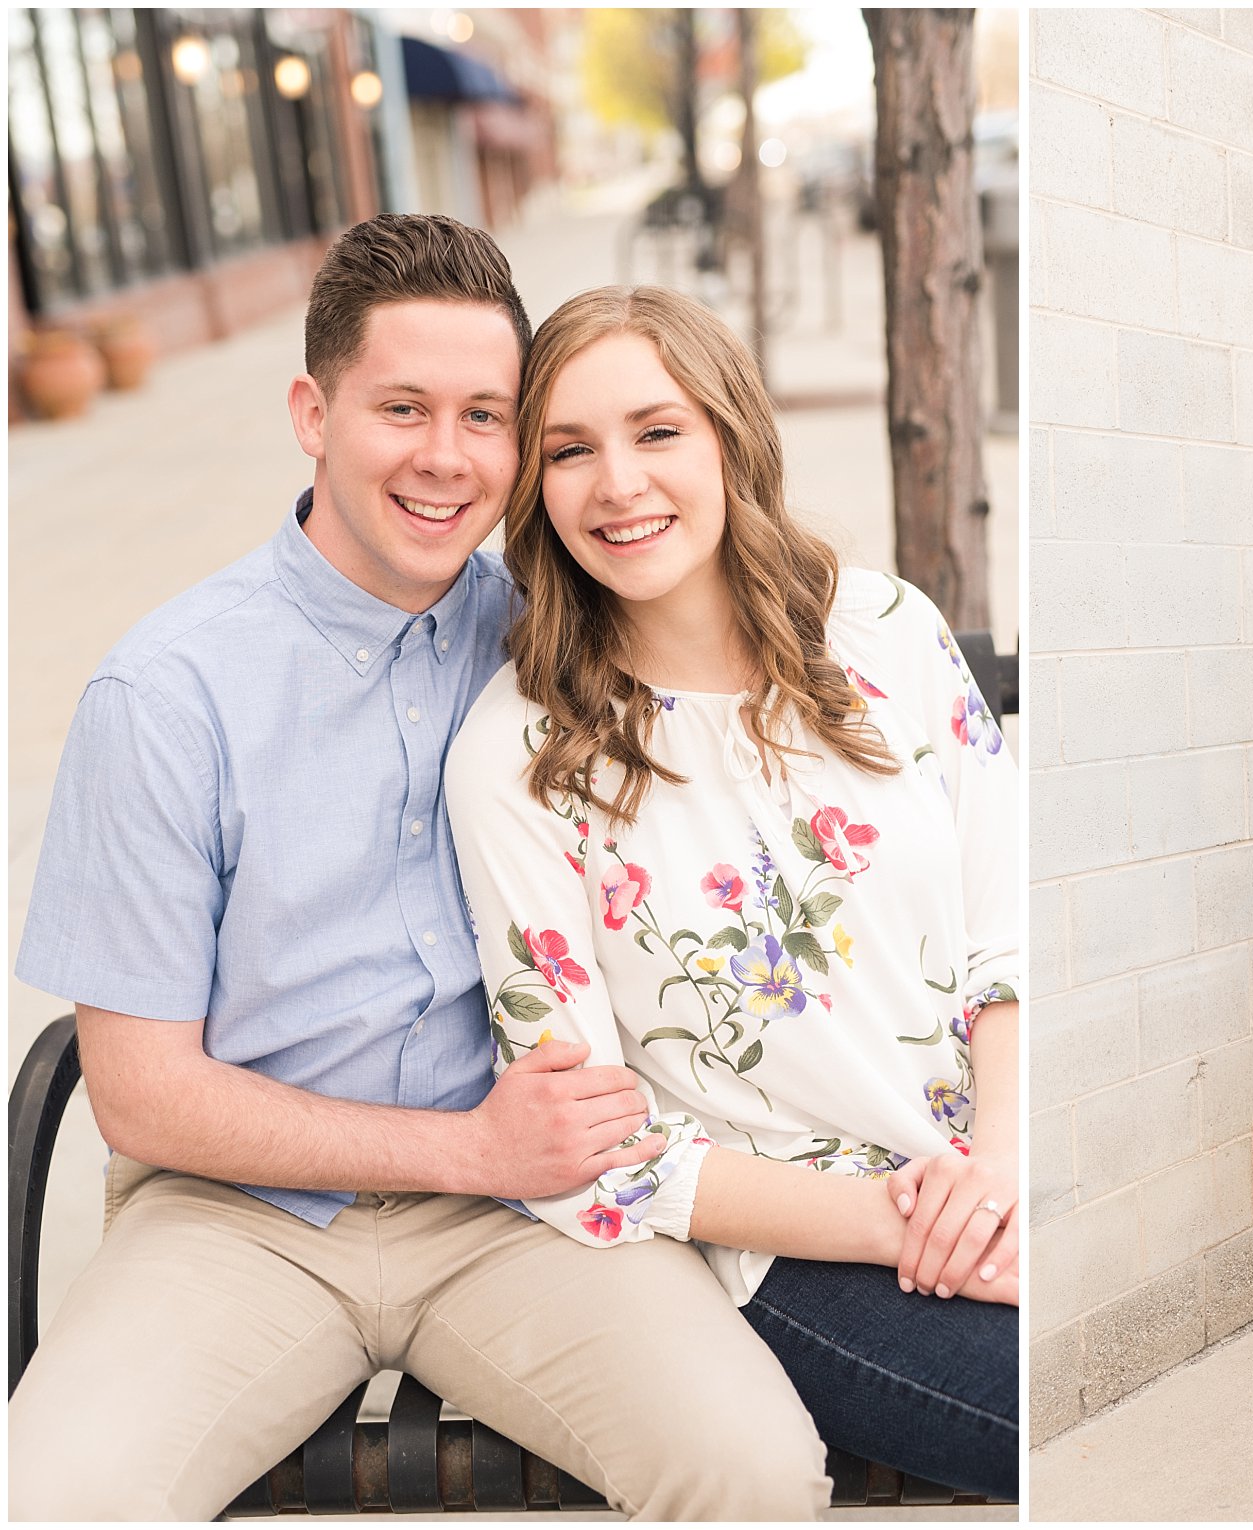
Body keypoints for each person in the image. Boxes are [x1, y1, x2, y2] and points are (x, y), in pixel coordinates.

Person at [10, 214, 831, 1521]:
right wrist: (472, 1146)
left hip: (532, 1221)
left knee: (752, 1469)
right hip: (240, 1217)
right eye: (402, 407)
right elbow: (141, 1096)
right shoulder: (166, 692)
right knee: (51, 1497)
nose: (446, 459)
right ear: (312, 411)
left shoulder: (560, 642)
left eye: (486, 416)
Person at [441, 284, 1021, 1500]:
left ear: (729, 435)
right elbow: (599, 1150)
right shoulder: (522, 754)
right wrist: (910, 1225)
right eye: (569, 450)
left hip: (1008, 1167)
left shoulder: (884, 630)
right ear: (533, 490)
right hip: (804, 1255)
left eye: (657, 431)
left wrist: (1002, 1170)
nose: (617, 483)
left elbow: (1009, 926)